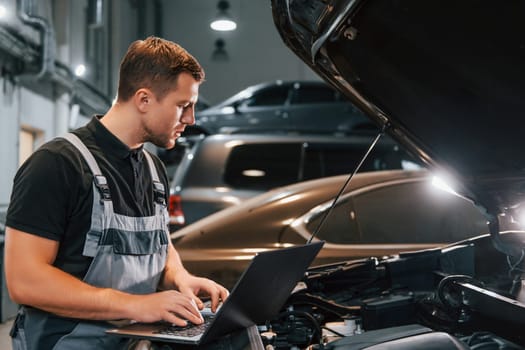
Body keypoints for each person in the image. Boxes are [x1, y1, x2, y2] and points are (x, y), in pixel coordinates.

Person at [4, 36, 229, 349]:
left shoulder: (153, 169)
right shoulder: (57, 164)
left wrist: (179, 277)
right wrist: (136, 305)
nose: (191, 119)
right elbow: (24, 281)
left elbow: (159, 246)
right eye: (183, 106)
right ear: (143, 100)